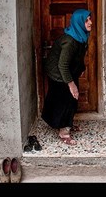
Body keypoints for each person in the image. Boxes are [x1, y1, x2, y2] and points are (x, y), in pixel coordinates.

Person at [41, 9, 92, 145]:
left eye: (90, 19)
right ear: (79, 22)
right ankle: (64, 131)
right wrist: (71, 84)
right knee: (66, 100)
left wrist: (81, 69)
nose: (90, 22)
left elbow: (78, 56)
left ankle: (66, 123)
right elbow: (62, 65)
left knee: (72, 99)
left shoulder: (81, 36)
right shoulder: (70, 42)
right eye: (86, 20)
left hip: (69, 71)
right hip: (58, 72)